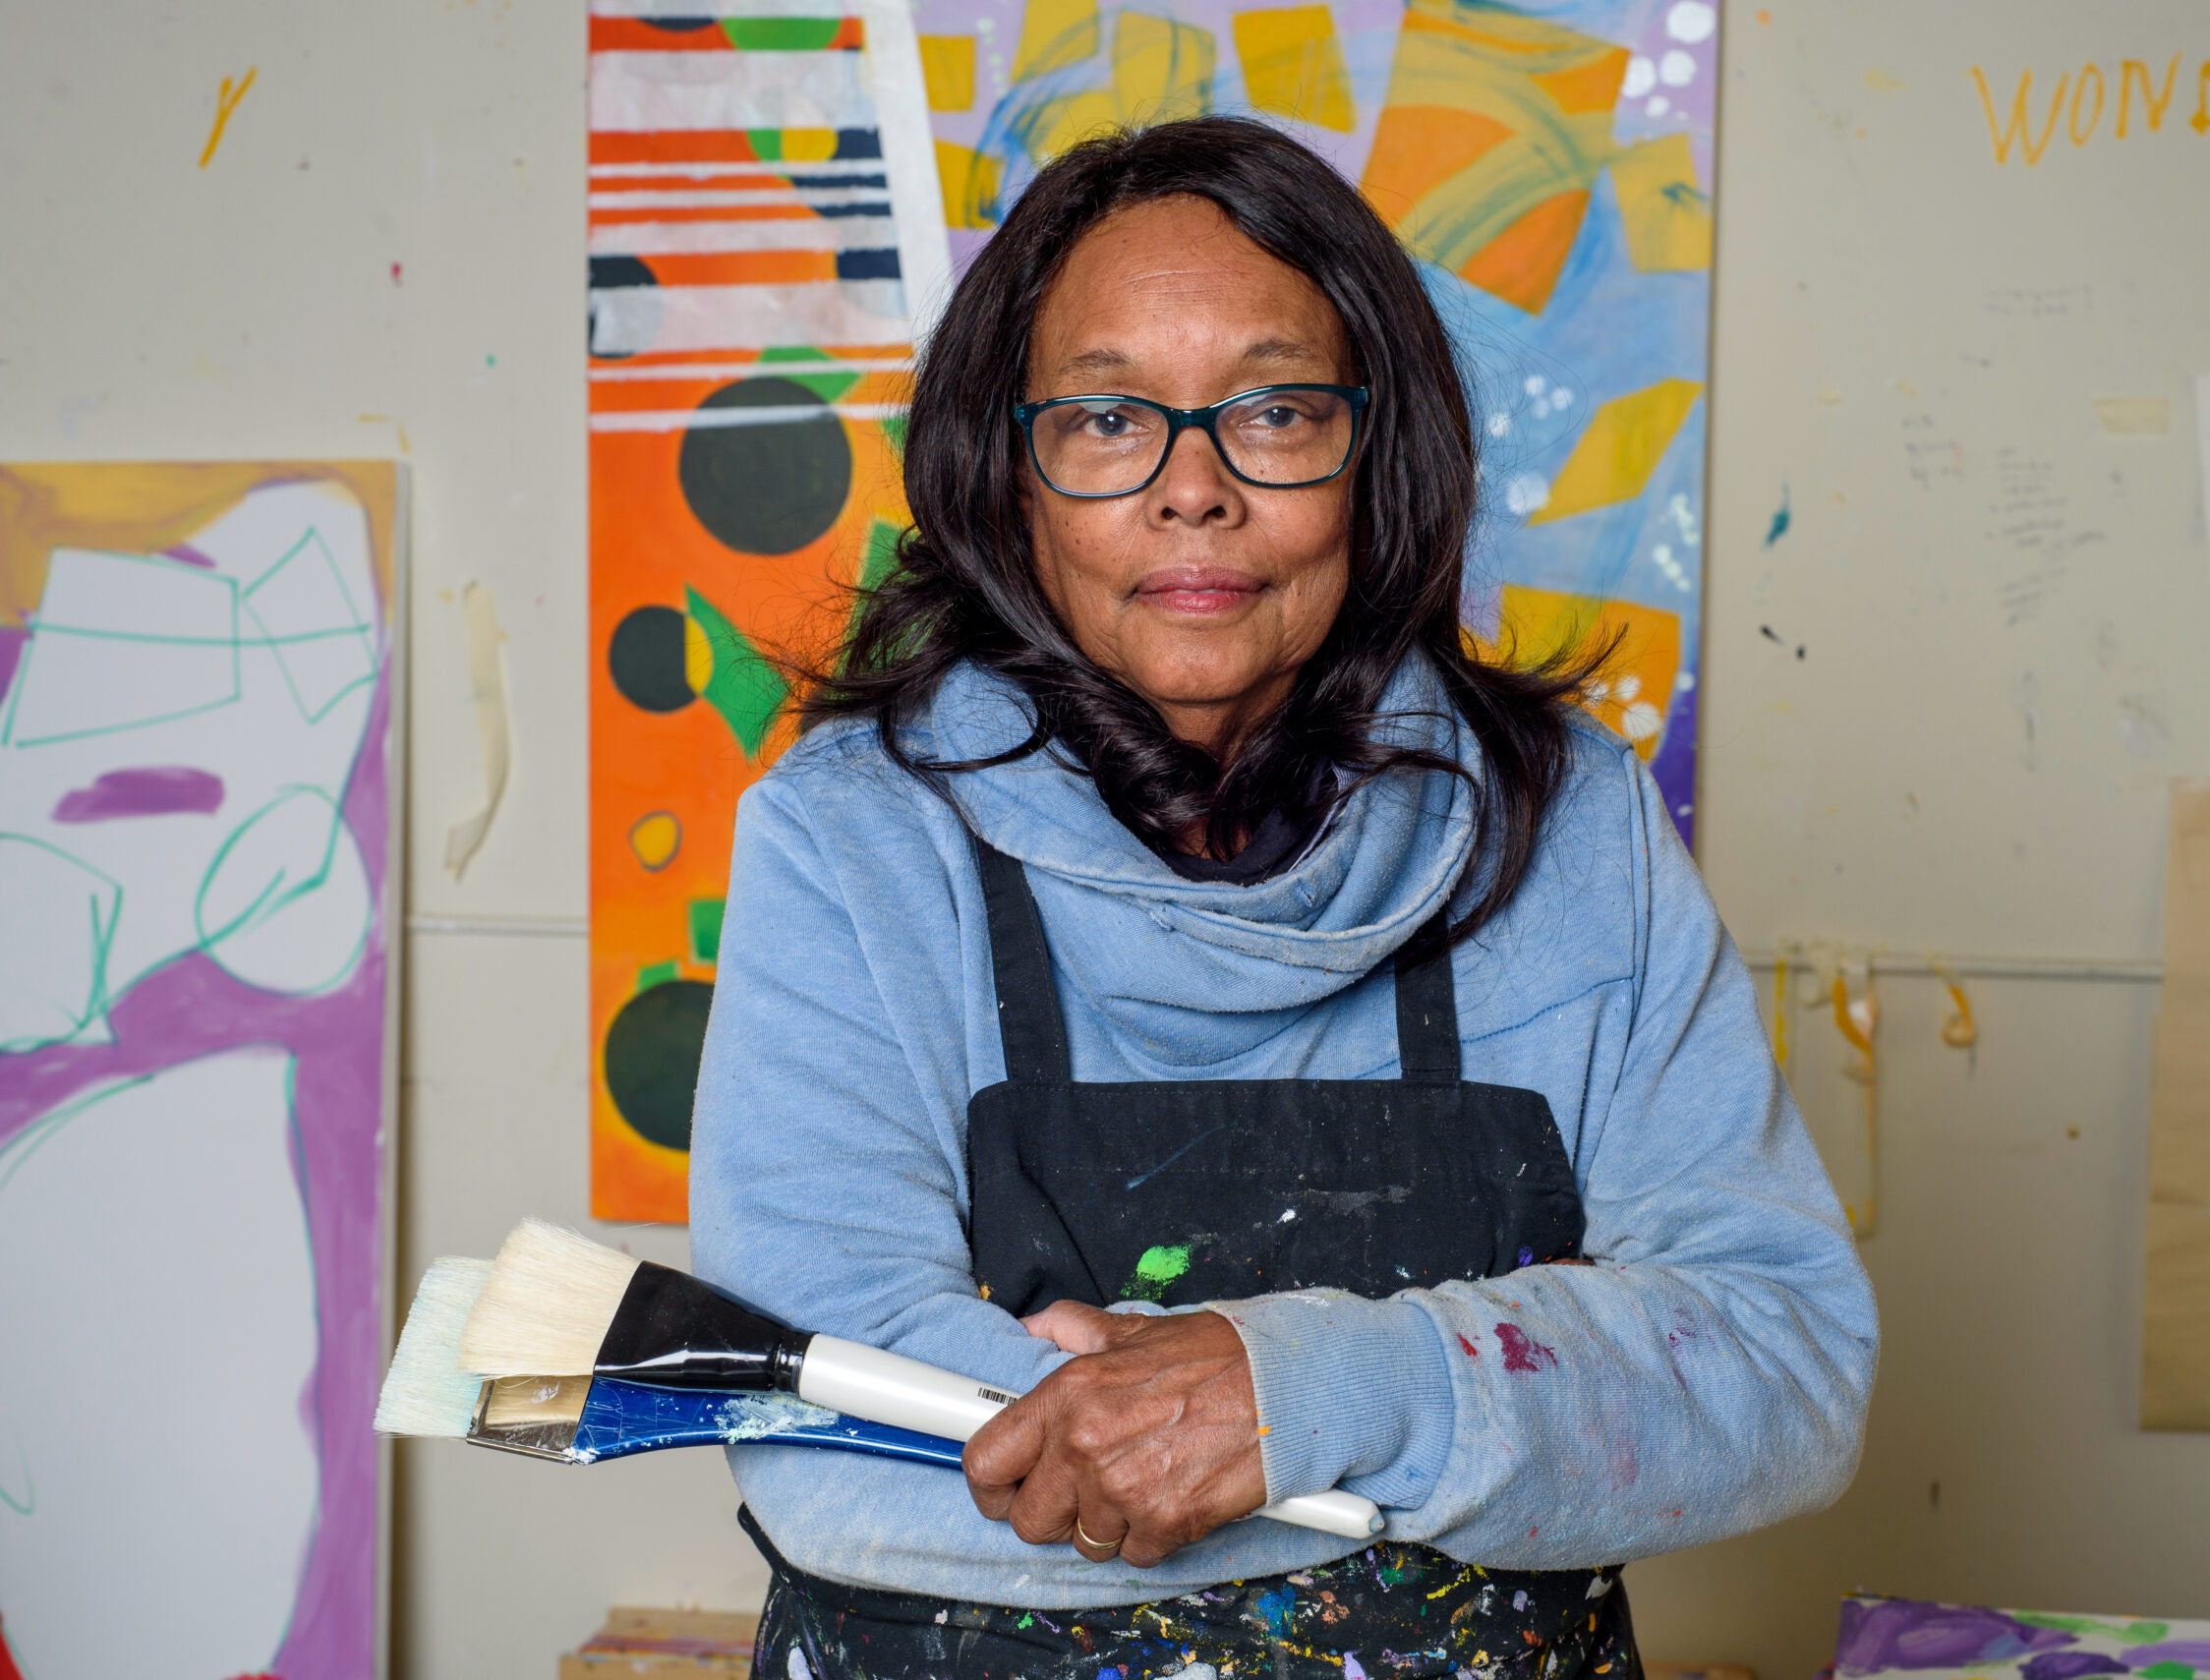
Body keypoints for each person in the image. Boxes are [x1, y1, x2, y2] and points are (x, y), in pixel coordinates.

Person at [690, 116, 1875, 1680]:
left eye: (1275, 409)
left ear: (1378, 450)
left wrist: (1306, 1389)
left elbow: (1781, 1364)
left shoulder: (1571, 826)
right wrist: (1478, 1440)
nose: (1195, 491)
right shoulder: (853, 843)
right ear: (1011, 473)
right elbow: (827, 1423)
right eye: (1111, 417)